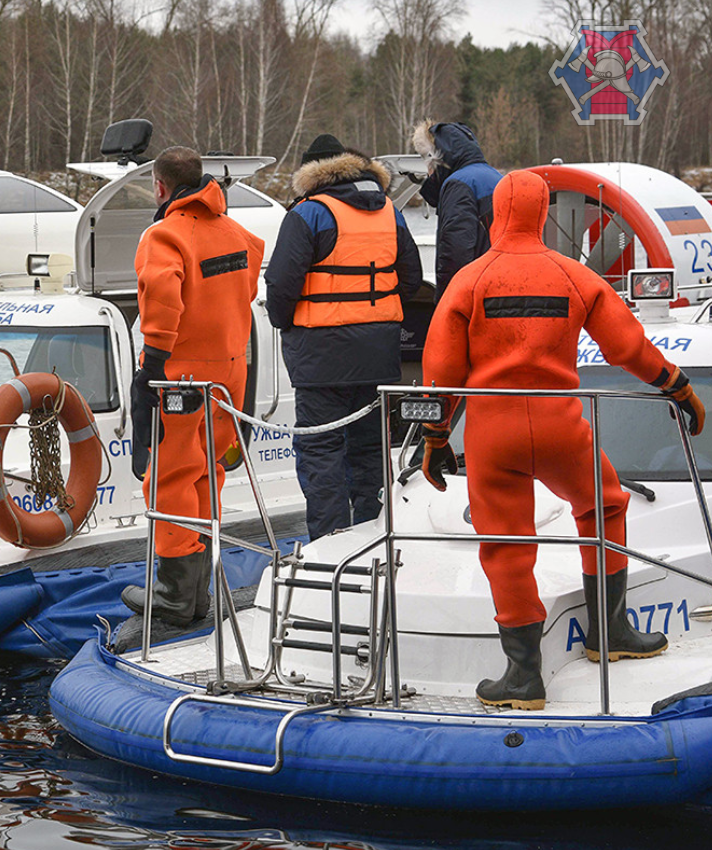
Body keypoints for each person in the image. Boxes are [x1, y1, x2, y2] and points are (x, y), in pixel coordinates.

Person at [420, 170, 705, 710]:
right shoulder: (573, 275)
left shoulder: (469, 280)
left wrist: (436, 437)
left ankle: (523, 678)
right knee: (605, 504)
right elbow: (628, 346)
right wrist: (679, 386)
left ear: (495, 214)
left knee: (506, 545)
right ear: (545, 211)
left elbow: (441, 371)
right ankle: (611, 633)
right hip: (561, 426)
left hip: (492, 431)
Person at [124, 145, 265, 626]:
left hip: (180, 374)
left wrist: (154, 364)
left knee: (169, 477)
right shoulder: (236, 234)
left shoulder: (163, 236)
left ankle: (174, 596)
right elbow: (246, 288)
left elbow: (162, 295)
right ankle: (198, 593)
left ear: (160, 188)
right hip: (228, 374)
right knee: (208, 472)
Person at [265, 135, 423, 541]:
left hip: (321, 358)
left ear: (312, 174)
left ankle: (329, 549)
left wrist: (288, 324)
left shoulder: (308, 214)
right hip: (378, 357)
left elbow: (281, 285)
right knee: (370, 452)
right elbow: (410, 279)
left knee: (321, 454)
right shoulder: (391, 212)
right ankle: (373, 542)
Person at [412, 121, 502, 302]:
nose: (428, 171)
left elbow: (456, 252)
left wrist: (446, 303)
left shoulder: (459, 184)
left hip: (475, 297)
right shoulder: (498, 178)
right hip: (500, 288)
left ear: (437, 158)